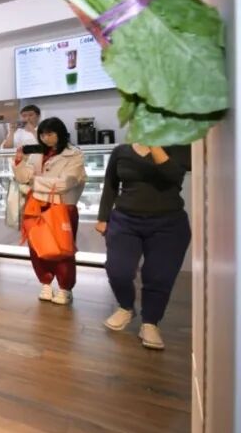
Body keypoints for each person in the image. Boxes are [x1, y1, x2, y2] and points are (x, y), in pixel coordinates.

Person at [96, 144, 191, 350]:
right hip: (125, 220)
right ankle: (126, 307)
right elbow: (111, 183)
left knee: (159, 276)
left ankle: (150, 322)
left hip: (169, 223)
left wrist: (154, 145)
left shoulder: (179, 146)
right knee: (117, 270)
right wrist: (103, 217)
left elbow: (174, 175)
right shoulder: (121, 151)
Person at [12, 118, 86, 305]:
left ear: (60, 133)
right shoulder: (37, 153)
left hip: (62, 207)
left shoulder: (74, 154)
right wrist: (20, 161)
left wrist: (34, 182)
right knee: (37, 247)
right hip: (36, 207)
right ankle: (45, 282)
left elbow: (65, 183)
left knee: (63, 248)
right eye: (42, 134)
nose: (45, 138)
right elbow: (23, 178)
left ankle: (65, 287)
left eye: (50, 134)